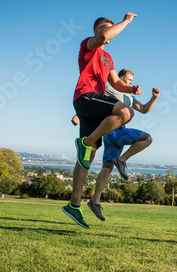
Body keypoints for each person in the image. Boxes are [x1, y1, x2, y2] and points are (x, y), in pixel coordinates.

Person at [62, 13, 141, 229]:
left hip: (94, 106)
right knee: (126, 113)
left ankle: (74, 204)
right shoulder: (87, 45)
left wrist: (131, 88)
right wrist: (125, 22)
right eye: (106, 28)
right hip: (85, 96)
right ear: (97, 30)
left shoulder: (108, 58)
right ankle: (87, 143)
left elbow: (116, 83)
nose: (109, 31)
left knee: (88, 157)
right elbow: (106, 36)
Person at [71, 69, 160, 221]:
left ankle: (95, 202)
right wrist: (77, 116)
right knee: (147, 139)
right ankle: (122, 160)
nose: (131, 82)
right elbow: (93, 102)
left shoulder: (130, 98)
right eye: (129, 79)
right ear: (120, 78)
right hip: (115, 132)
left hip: (110, 137)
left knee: (106, 169)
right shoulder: (111, 88)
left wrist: (154, 98)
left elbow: (144, 109)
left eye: (132, 80)